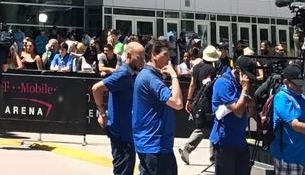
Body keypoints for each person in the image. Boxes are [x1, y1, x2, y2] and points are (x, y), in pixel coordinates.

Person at [92, 40, 145, 175]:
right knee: (123, 168)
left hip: (128, 131)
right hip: (121, 133)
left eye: (143, 58)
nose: (142, 62)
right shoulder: (123, 74)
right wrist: (102, 113)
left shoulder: (133, 73)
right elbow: (96, 88)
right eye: (139, 58)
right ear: (128, 56)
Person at [133, 39, 185, 175]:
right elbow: (178, 103)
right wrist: (174, 76)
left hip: (149, 143)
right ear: (153, 55)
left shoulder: (146, 76)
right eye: (165, 55)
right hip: (156, 146)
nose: (168, 59)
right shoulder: (152, 79)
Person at [269, 63, 305, 175]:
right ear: (286, 82)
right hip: (287, 157)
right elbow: (295, 125)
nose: (301, 87)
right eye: (297, 85)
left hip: (304, 156)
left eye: (302, 84)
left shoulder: (302, 97)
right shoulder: (281, 98)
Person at [208, 50, 254, 175]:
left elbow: (250, 110)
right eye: (247, 75)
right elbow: (238, 112)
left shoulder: (240, 84)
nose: (248, 79)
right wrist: (245, 90)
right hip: (225, 142)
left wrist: (248, 101)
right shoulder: (224, 83)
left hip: (240, 140)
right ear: (238, 70)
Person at [179, 44, 221, 165]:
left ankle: (212, 156)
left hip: (197, 100)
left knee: (205, 127)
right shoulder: (212, 70)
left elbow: (192, 84)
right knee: (210, 128)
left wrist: (189, 100)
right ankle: (212, 157)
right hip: (208, 102)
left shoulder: (196, 67)